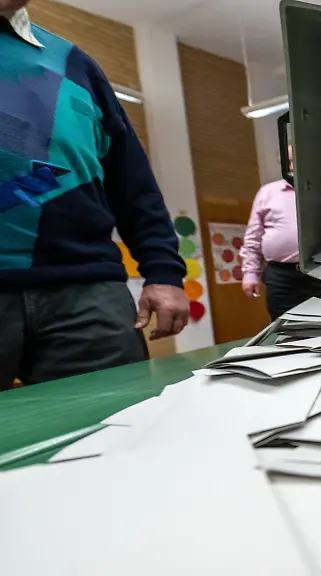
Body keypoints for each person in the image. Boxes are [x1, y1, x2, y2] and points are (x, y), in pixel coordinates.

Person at [0, 1, 189, 389]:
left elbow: (131, 180)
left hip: (88, 291)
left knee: (117, 421)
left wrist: (164, 271)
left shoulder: (75, 63)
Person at [240, 177, 321, 320]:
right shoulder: (268, 192)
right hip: (280, 277)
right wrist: (250, 273)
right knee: (282, 325)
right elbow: (253, 238)